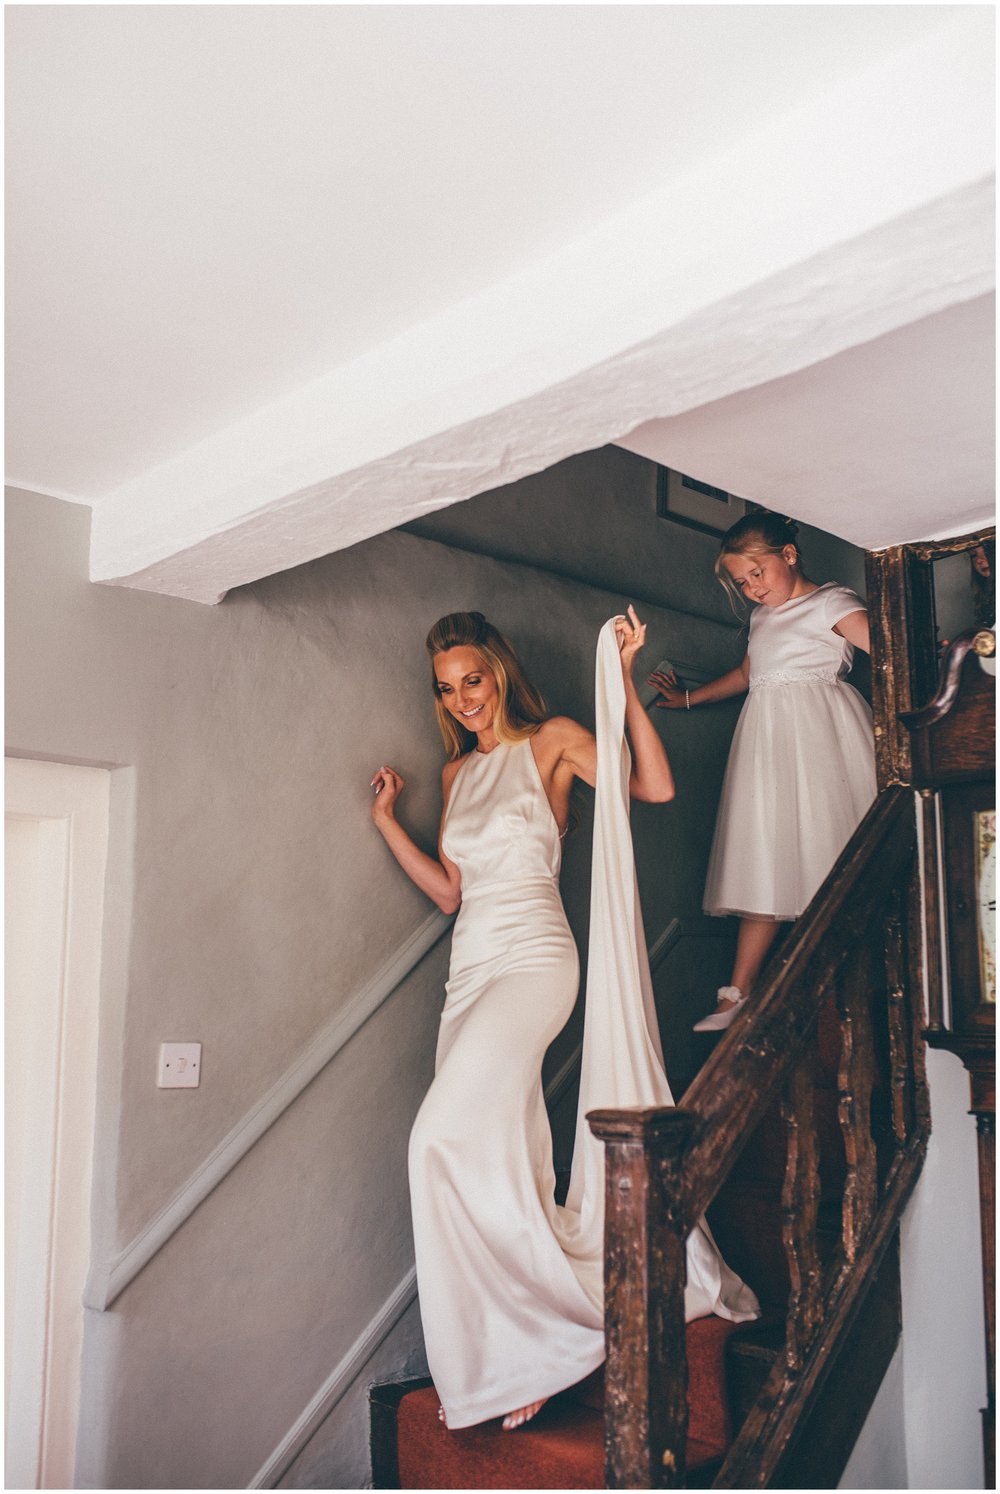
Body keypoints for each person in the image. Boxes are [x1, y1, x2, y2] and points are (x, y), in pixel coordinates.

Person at [371, 606, 757, 1432]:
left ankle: (546, 1338)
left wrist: (618, 685)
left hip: (534, 958)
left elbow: (653, 787)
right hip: (468, 973)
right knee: (488, 1149)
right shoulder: (456, 775)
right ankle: (522, 1347)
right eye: (447, 687)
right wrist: (384, 827)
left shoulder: (550, 741)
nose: (463, 698)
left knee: (436, 1139)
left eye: (473, 679)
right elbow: (449, 891)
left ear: (499, 671)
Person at [650, 511, 876, 1032]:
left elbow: (890, 651)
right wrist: (687, 699)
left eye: (758, 573)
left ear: (789, 556)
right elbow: (749, 675)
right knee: (765, 856)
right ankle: (738, 994)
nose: (752, 588)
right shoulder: (760, 618)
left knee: (825, 847)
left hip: (822, 738)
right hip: (768, 742)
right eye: (741, 581)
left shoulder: (832, 602)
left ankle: (843, 982)